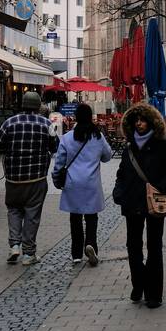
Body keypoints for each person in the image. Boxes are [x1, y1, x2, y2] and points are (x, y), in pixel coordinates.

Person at [112, 102, 166, 309]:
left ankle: (154, 293)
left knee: (154, 246)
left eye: (143, 120)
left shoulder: (163, 144)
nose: (139, 124)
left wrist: (162, 187)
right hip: (131, 201)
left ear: (151, 122)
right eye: (136, 121)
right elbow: (122, 173)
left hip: (154, 202)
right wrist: (118, 192)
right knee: (133, 246)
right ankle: (138, 283)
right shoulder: (129, 147)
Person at [0, 90, 59, 267]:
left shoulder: (9, 122)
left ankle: (14, 245)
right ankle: (29, 254)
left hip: (13, 178)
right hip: (36, 178)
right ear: (38, 107)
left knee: (13, 210)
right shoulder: (46, 124)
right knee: (32, 214)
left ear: (22, 105)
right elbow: (55, 147)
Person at [53, 103, 112, 265]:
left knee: (75, 218)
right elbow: (108, 156)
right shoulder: (98, 137)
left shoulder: (67, 137)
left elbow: (59, 163)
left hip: (73, 183)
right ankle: (91, 244)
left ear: (77, 118)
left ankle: (76, 253)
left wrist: (56, 179)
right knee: (92, 217)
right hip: (91, 183)